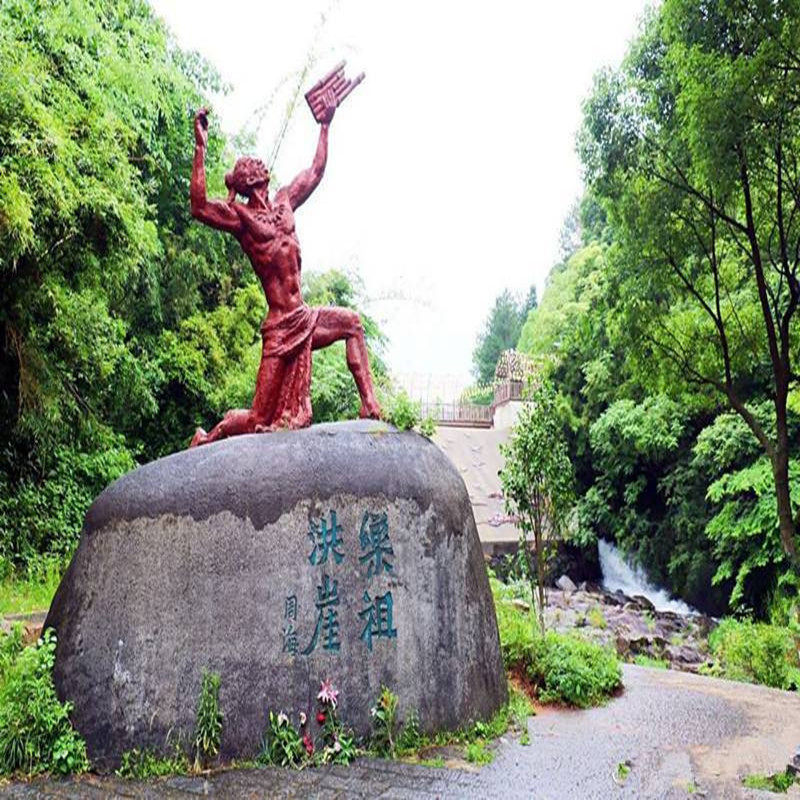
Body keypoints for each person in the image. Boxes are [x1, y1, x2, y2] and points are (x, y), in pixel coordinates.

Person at [188, 95, 381, 447]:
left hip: (304, 316)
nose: (259, 167)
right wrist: (200, 147)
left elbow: (315, 171)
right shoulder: (242, 218)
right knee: (259, 418)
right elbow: (199, 206)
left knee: (352, 323)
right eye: (252, 166)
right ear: (246, 179)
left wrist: (325, 125)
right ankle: (209, 437)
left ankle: (370, 404)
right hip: (279, 328)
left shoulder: (284, 201)